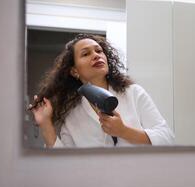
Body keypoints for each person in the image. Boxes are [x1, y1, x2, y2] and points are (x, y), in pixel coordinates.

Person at [28, 33, 175, 148]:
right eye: (86, 54)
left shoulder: (133, 93)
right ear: (74, 71)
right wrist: (45, 124)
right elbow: (65, 162)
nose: (96, 55)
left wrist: (124, 131)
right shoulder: (72, 114)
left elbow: (167, 138)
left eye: (99, 50)